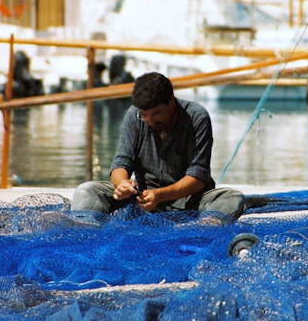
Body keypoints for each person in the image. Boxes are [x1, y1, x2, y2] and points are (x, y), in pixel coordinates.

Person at [71, 72, 244, 220]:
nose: (151, 121)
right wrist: (122, 184)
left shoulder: (197, 117)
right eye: (144, 115)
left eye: (156, 113)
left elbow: (198, 178)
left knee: (232, 198)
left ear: (171, 101)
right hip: (142, 198)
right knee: (87, 190)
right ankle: (86, 229)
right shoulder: (133, 115)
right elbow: (121, 163)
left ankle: (199, 230)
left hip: (188, 201)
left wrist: (159, 196)